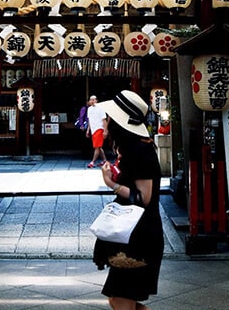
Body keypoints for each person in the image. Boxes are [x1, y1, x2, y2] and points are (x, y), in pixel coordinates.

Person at [93, 90, 164, 310]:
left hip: (140, 238)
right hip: (133, 235)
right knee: (122, 299)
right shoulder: (132, 148)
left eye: (111, 118)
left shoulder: (140, 150)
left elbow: (143, 198)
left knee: (121, 299)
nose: (107, 121)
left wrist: (112, 184)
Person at [86, 94, 108, 168]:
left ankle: (93, 162)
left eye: (94, 99)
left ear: (97, 100)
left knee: (97, 147)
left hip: (99, 128)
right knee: (98, 146)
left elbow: (104, 120)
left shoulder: (101, 108)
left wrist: (105, 130)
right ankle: (104, 160)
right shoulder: (89, 109)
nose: (92, 101)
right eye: (91, 99)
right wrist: (88, 130)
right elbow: (89, 120)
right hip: (93, 129)